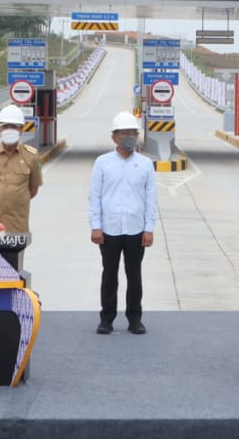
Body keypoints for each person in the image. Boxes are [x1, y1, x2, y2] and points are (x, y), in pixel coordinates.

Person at [89, 112, 158, 335]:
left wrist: (149, 229)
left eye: (134, 133)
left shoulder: (145, 164)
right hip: (109, 228)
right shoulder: (102, 163)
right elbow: (95, 196)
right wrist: (95, 226)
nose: (130, 137)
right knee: (109, 274)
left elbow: (151, 199)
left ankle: (135, 318)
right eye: (125, 133)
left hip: (135, 229)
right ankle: (106, 318)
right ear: (114, 137)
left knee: (134, 275)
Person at [0, 105, 43, 233]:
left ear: (21, 130)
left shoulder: (31, 156)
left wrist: (14, 198)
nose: (9, 130)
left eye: (14, 126)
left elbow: (33, 190)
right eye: (5, 126)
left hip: (16, 226)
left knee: (13, 254)